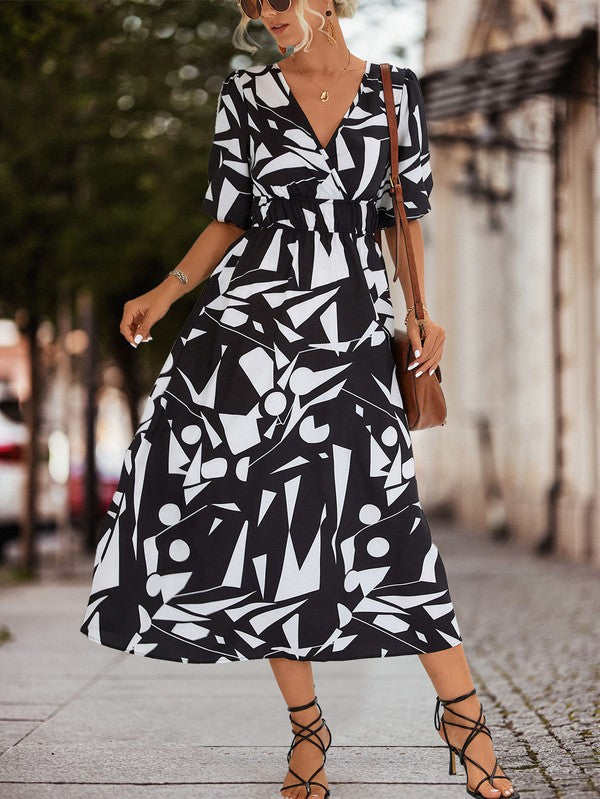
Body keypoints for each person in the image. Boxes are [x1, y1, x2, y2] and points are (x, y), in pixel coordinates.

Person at [78, 1, 520, 798]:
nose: (264, 14)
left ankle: (465, 720)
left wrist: (420, 313)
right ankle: (307, 730)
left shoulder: (394, 93)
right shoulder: (245, 96)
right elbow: (231, 217)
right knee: (271, 532)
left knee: (389, 519)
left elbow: (402, 223)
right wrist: (169, 289)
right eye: (250, 3)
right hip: (251, 336)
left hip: (350, 336)